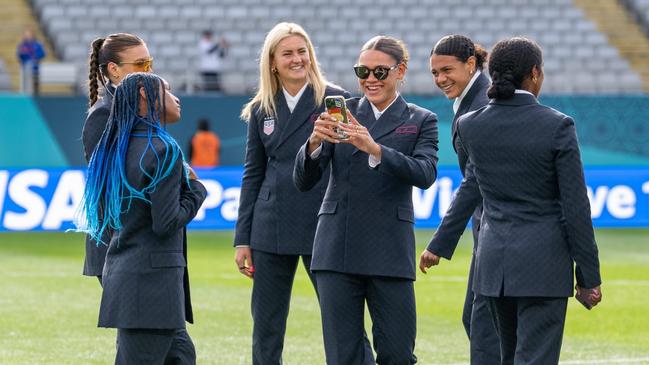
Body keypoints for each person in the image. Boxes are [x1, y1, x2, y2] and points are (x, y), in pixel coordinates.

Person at [451, 37, 602, 364]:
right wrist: (588, 278)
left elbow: (474, 186)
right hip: (543, 269)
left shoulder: (468, 125)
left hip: (492, 268)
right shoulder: (558, 125)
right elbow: (576, 207)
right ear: (534, 73)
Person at [294, 35, 439, 365]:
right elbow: (303, 182)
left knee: (398, 353)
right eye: (363, 72)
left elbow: (426, 173)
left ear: (400, 71)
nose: (370, 80)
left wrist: (375, 149)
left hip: (389, 249)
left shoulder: (421, 119)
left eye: (379, 72)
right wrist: (314, 144)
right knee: (343, 355)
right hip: (336, 249)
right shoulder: (340, 113)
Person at [233, 22, 357, 365]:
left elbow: (347, 163)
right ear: (273, 61)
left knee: (342, 321)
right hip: (269, 227)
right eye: (287, 53)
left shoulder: (335, 99)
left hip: (323, 225)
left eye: (302, 51)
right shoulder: (262, 108)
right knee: (267, 326)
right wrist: (242, 238)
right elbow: (252, 173)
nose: (297, 59)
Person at [78, 72, 207, 364]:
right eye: (169, 90)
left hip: (131, 280)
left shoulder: (113, 149)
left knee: (183, 356)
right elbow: (165, 223)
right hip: (151, 290)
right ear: (147, 96)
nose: (176, 98)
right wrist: (196, 191)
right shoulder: (162, 150)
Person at [418, 35, 500, 364]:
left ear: (470, 64)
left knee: (483, 324)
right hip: (491, 229)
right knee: (482, 321)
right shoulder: (472, 99)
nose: (440, 79)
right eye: (435, 73)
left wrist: (439, 243)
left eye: (446, 70)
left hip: (497, 228)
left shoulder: (480, 104)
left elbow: (475, 180)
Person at [81, 33, 153, 285]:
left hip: (141, 242)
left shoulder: (142, 108)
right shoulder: (103, 114)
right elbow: (106, 184)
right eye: (141, 65)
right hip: (118, 245)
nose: (149, 71)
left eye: (149, 63)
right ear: (114, 70)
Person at [16, 29, 46, 95]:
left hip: (36, 68)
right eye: (26, 35)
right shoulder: (22, 45)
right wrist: (26, 57)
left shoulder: (38, 44)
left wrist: (35, 57)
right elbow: (19, 55)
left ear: (32, 35)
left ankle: (36, 96)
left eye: (29, 34)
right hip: (25, 69)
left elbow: (42, 53)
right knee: (26, 86)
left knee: (35, 86)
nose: (27, 36)